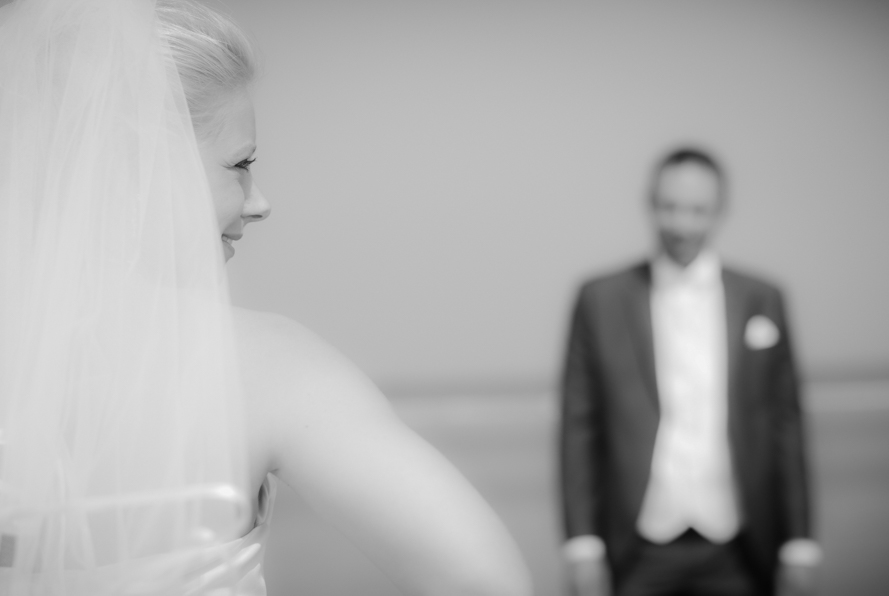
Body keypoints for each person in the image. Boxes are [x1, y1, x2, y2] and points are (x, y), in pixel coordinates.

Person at [0, 1, 532, 595]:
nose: (259, 203)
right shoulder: (262, 362)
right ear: (133, 161)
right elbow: (486, 582)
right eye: (239, 164)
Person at [559, 148, 821, 596]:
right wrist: (582, 545)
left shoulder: (762, 299)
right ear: (650, 203)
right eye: (670, 207)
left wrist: (799, 542)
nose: (682, 224)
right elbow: (579, 426)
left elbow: (786, 424)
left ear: (720, 211)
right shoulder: (600, 299)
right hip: (636, 545)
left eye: (698, 210)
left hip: (741, 542)